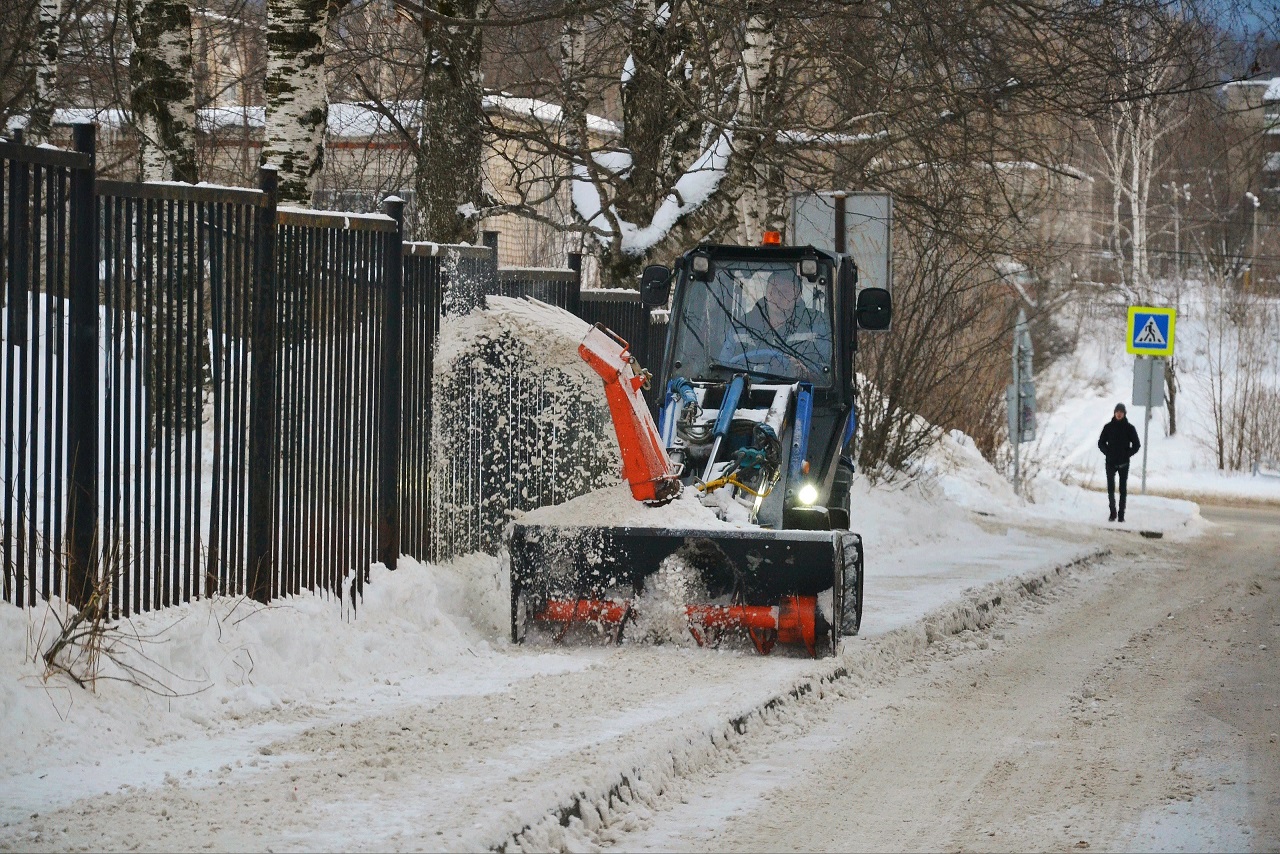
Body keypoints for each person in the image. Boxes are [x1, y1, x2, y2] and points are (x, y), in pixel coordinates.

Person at [726, 270, 831, 375]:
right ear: (766, 293)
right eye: (774, 290)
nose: (778, 296)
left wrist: (805, 371)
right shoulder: (741, 326)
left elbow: (828, 369)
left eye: (785, 292)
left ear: (798, 296)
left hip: (799, 389)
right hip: (748, 388)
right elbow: (723, 365)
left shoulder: (816, 325)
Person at [1097, 402, 1141, 522]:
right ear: (1114, 413)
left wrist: (1127, 454)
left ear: (1124, 414)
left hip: (1124, 463)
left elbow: (1137, 445)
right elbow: (1100, 442)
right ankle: (1113, 513)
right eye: (1117, 412)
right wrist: (1107, 452)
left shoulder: (1129, 428)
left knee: (1123, 489)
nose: (1119, 414)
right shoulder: (1108, 427)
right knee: (1110, 488)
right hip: (1110, 462)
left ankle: (1121, 515)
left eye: (1121, 412)